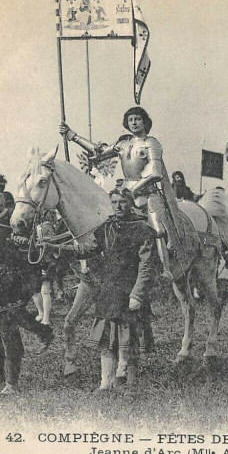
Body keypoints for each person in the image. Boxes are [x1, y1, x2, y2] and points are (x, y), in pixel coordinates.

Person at [60, 107, 194, 281]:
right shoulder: (123, 144)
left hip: (149, 194)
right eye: (130, 120)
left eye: (137, 119)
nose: (134, 122)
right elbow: (99, 151)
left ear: (145, 121)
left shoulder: (152, 143)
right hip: (125, 195)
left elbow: (155, 173)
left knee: (158, 229)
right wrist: (73, 136)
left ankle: (164, 270)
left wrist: (132, 190)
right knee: (105, 223)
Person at [0, 183, 53, 395]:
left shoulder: (16, 220)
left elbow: (34, 248)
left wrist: (23, 242)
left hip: (9, 285)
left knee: (9, 333)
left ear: (3, 198)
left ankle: (11, 383)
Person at [80, 189, 157, 391]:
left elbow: (146, 265)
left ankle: (127, 382)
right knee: (106, 340)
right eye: (114, 202)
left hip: (130, 292)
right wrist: (56, 249)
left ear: (131, 203)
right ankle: (105, 383)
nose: (118, 206)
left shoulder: (142, 228)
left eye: (123, 202)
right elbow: (88, 249)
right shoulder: (106, 228)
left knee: (129, 338)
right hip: (109, 291)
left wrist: (137, 295)